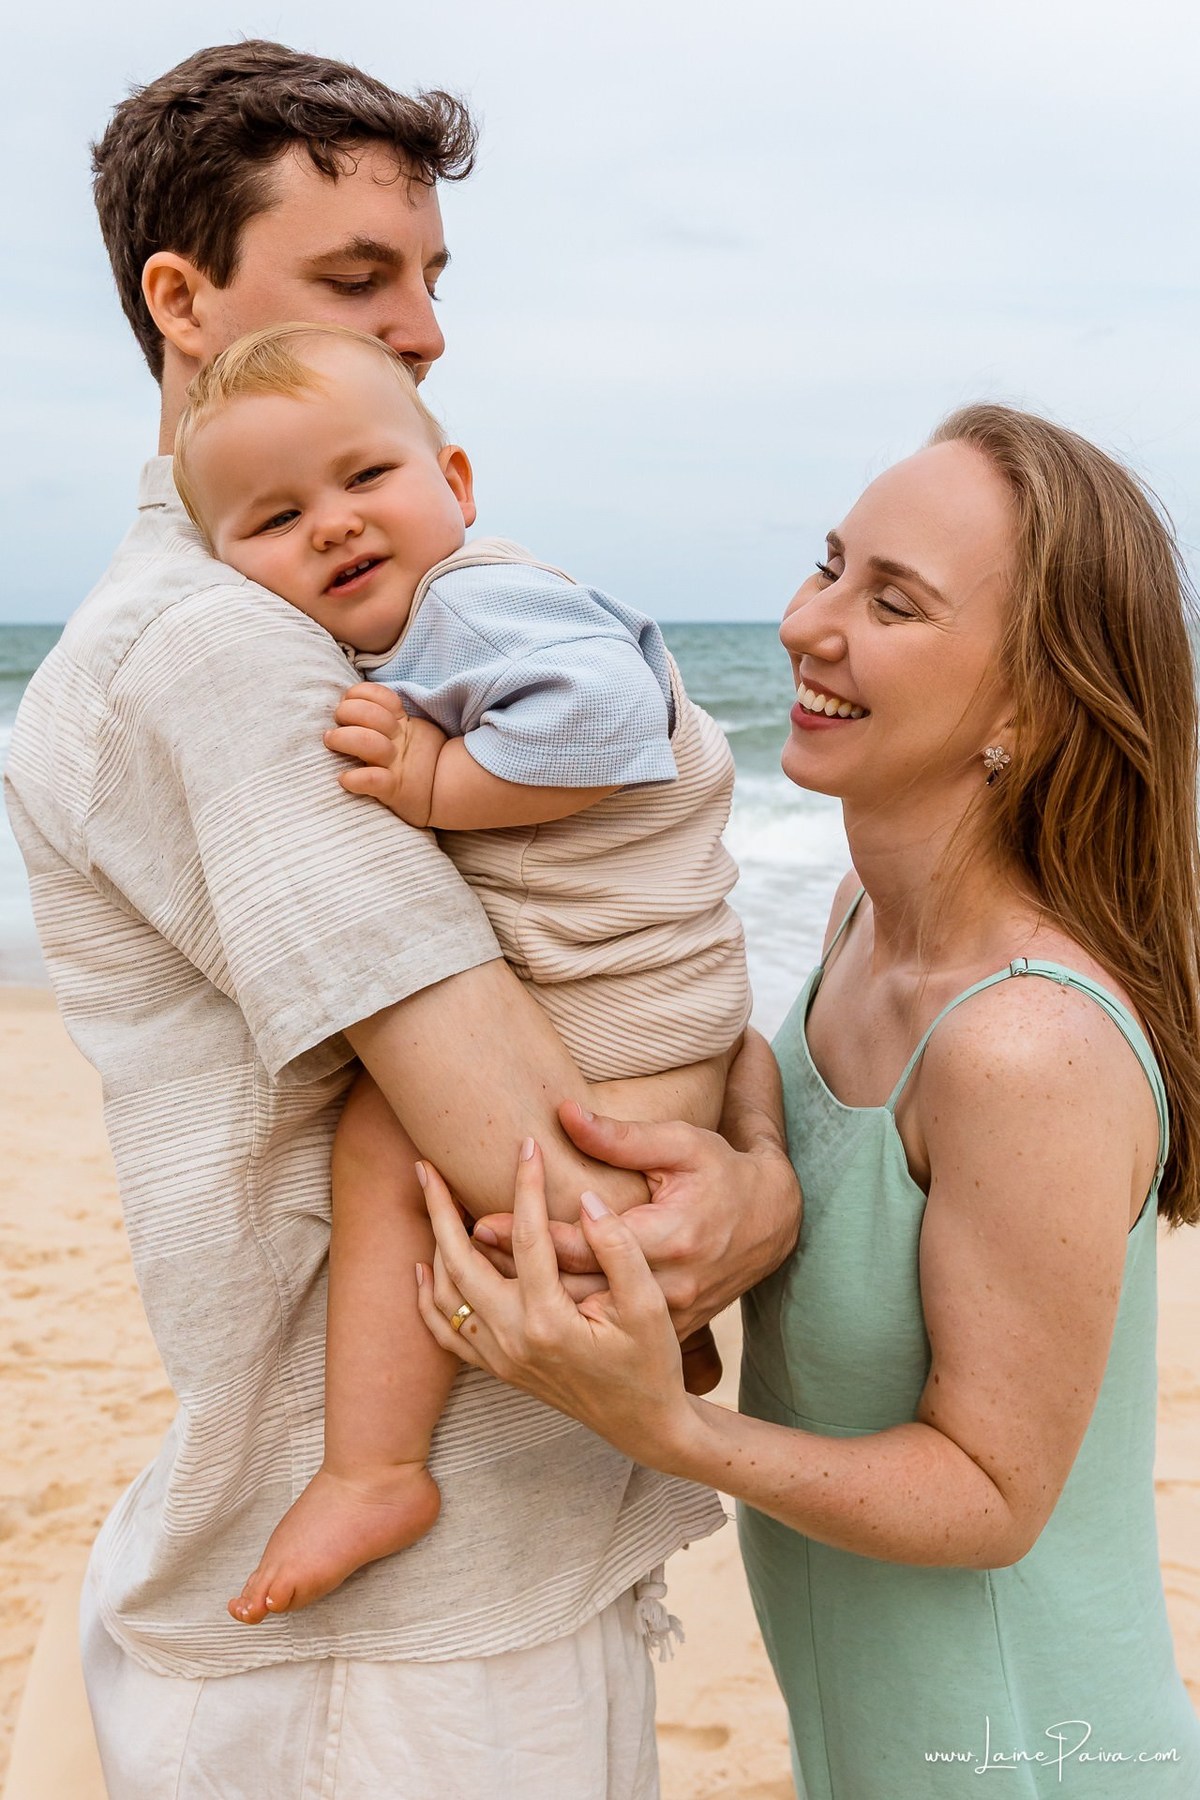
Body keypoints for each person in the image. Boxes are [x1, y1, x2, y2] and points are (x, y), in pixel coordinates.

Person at [3, 41, 799, 1799]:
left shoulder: (341, 614)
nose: (424, 325)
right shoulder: (220, 651)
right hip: (395, 1665)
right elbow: (543, 1162)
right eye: (361, 276)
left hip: (476, 1575)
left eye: (432, 276)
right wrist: (757, 1197)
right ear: (182, 301)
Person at [415, 405, 1200, 1797]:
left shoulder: (1025, 1045)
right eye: (831, 565)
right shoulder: (860, 919)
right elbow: (788, 1105)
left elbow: (993, 1497)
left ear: (1027, 709)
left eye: (891, 602)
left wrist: (669, 1429)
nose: (802, 624)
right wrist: (758, 1170)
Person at [169, 318, 750, 1621]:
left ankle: (375, 1469)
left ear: (458, 484)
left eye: (366, 475)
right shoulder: (415, 622)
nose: (332, 523)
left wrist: (438, 780)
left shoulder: (470, 600)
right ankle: (674, 1336)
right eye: (276, 519)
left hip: (624, 997)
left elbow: (607, 715)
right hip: (651, 1002)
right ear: (225, 570)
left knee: (385, 1142)